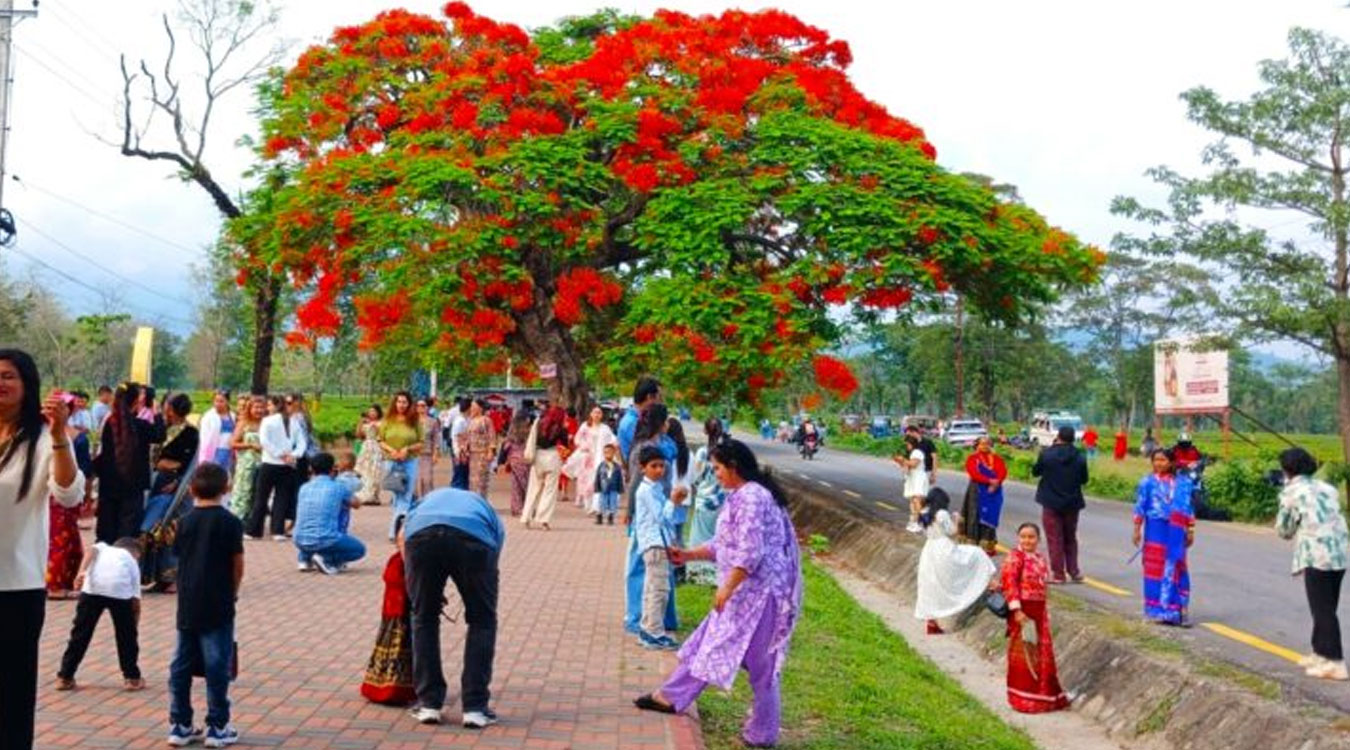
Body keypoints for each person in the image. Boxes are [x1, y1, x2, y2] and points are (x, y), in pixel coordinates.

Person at [633, 440, 803, 749]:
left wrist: (726, 587)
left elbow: (749, 553)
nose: (716, 474)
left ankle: (763, 733)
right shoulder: (741, 495)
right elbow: (723, 545)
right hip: (744, 594)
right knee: (705, 646)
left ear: (734, 466)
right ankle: (670, 697)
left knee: (762, 667)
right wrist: (687, 555)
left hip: (760, 596)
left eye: (717, 468)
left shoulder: (752, 497)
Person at [0, 350, 84, 750]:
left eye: (8, 376)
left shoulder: (41, 438)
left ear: (26, 384)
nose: (0, 383)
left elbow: (69, 495)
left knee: (11, 700)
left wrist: (58, 436)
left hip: (14, 590)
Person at [403, 487, 506, 728]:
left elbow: (404, 540)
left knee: (423, 617)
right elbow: (494, 551)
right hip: (474, 538)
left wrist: (423, 591)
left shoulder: (421, 505)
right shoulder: (485, 509)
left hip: (421, 537)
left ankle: (429, 703)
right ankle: (475, 708)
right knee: (482, 621)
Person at [168, 462, 244, 748]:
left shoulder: (183, 522)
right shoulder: (231, 522)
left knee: (181, 663)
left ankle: (180, 723)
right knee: (217, 665)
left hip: (187, 601)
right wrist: (234, 592)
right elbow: (237, 564)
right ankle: (218, 725)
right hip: (219, 600)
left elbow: (179, 561)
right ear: (226, 488)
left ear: (191, 490)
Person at [1274, 447, 1349, 681]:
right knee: (1327, 605)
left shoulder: (1291, 492)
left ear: (1286, 469)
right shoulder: (1327, 487)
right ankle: (1320, 652)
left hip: (1317, 554)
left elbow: (1284, 530)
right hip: (1340, 552)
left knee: (1322, 609)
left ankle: (1335, 662)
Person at [55, 537, 145, 691]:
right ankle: (132, 678)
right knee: (126, 637)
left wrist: (81, 572)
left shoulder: (103, 547)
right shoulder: (131, 561)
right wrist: (133, 624)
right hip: (119, 592)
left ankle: (65, 676)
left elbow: (91, 550)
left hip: (92, 590)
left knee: (80, 634)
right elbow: (135, 602)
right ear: (135, 553)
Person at [623, 404, 681, 633]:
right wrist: (631, 512)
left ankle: (645, 618)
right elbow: (637, 482)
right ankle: (645, 619)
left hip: (658, 513)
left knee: (647, 570)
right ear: (660, 422)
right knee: (646, 570)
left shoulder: (654, 445)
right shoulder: (652, 447)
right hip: (652, 515)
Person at [1000, 522, 1070, 713]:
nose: (1027, 540)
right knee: (1023, 655)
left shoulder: (1040, 559)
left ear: (1038, 539)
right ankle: (1023, 698)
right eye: (1023, 536)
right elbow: (1009, 584)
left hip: (1039, 613)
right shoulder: (1014, 558)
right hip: (1023, 612)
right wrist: (1017, 611)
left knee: (1042, 654)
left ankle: (1044, 696)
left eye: (1031, 537)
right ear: (1018, 538)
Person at [915, 488, 997, 635]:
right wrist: (957, 520)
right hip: (944, 548)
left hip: (929, 550)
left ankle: (932, 622)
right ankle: (991, 582)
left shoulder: (923, 513)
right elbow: (952, 532)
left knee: (932, 585)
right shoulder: (941, 514)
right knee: (977, 553)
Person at [93, 382, 166, 543]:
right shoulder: (140, 426)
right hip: (133, 487)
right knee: (127, 534)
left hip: (108, 486)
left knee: (106, 533)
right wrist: (158, 413)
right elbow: (160, 435)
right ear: (135, 402)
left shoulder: (108, 423)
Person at [1132, 448, 1196, 626]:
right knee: (1155, 568)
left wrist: (1190, 529)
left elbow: (1188, 509)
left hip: (1176, 530)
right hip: (1155, 530)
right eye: (1156, 460)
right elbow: (1140, 507)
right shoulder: (1147, 483)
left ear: (1172, 463)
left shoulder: (1182, 484)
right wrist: (1137, 529)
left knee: (1177, 566)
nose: (1159, 464)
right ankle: (1159, 610)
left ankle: (1180, 609)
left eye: (1163, 460)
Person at [360, 517, 416, 705]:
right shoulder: (398, 563)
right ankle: (390, 688)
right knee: (396, 650)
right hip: (396, 614)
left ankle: (404, 687)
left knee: (406, 649)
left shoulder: (407, 562)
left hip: (401, 613)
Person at [633, 445, 682, 650]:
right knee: (659, 590)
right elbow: (662, 517)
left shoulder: (655, 488)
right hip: (654, 545)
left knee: (651, 588)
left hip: (656, 543)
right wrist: (673, 501)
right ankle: (654, 631)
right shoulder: (646, 490)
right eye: (654, 466)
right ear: (642, 467)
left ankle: (647, 628)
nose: (659, 470)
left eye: (662, 466)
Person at [1031, 425, 1088, 584]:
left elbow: (1036, 472)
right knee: (1070, 537)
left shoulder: (1047, 454)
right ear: (1073, 438)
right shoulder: (1080, 456)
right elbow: (1084, 479)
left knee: (1054, 538)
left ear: (1058, 436)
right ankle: (1074, 571)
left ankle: (1058, 574)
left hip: (1050, 501)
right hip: (1072, 502)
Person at [294, 452, 366, 575]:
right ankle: (327, 560)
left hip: (299, 539)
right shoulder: (338, 487)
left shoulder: (304, 487)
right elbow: (357, 504)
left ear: (311, 469)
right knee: (359, 550)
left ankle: (304, 559)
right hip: (325, 538)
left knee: (310, 528)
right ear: (333, 468)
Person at [247, 395, 307, 541]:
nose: (267, 408)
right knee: (282, 498)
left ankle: (254, 530)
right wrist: (293, 455)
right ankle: (277, 531)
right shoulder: (294, 421)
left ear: (275, 405)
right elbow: (302, 442)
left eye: (268, 405)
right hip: (288, 465)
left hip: (269, 463)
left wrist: (280, 454)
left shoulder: (268, 421)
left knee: (261, 497)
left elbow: (264, 441)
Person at [686, 418, 728, 585]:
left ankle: (698, 575)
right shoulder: (725, 453)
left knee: (699, 538)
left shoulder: (703, 453)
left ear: (705, 432)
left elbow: (696, 477)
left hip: (703, 500)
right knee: (717, 538)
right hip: (721, 500)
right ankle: (716, 575)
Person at [379, 391, 424, 541]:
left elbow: (421, 442)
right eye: (399, 402)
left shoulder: (414, 420)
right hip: (390, 460)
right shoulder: (388, 420)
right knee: (396, 496)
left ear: (409, 404)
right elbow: (380, 440)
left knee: (406, 496)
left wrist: (407, 449)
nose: (401, 405)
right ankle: (399, 526)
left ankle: (394, 532)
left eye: (405, 402)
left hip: (409, 460)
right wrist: (392, 450)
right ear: (395, 403)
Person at [521, 406, 569, 530]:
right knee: (550, 491)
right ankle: (544, 520)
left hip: (538, 457)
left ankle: (526, 517)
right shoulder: (561, 428)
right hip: (553, 457)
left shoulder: (538, 423)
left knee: (533, 489)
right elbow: (565, 445)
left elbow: (531, 439)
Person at [565, 405, 617, 513]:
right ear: (591, 414)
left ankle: (596, 505)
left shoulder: (605, 428)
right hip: (587, 458)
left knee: (597, 480)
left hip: (600, 457)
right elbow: (577, 439)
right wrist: (584, 446)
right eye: (595, 412)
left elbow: (612, 440)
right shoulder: (585, 426)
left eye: (599, 413)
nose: (597, 415)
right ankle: (588, 504)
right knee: (586, 481)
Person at [961, 437, 1007, 556]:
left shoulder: (997, 459)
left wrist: (997, 483)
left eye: (987, 443)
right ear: (977, 445)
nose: (985, 446)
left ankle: (986, 545)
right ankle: (972, 543)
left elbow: (1003, 472)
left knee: (990, 516)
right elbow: (973, 473)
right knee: (975, 514)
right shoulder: (973, 459)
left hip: (994, 492)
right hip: (977, 490)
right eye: (982, 444)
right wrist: (989, 481)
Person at [152, 394, 200, 498]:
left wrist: (177, 481)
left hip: (168, 480)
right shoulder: (164, 427)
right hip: (155, 476)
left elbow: (187, 462)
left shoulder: (190, 432)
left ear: (171, 409)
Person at [228, 396, 265, 521]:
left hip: (263, 463)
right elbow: (232, 443)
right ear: (250, 408)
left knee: (258, 493)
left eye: (261, 408)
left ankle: (252, 521)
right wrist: (250, 445)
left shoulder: (266, 424)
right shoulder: (244, 423)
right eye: (256, 407)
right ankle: (237, 519)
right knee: (243, 492)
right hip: (246, 465)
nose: (259, 410)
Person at [618, 376, 662, 465]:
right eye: (659, 397)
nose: (660, 401)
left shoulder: (640, 419)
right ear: (649, 397)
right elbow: (650, 454)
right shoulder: (632, 423)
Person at [497, 413, 532, 517]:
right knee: (527, 485)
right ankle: (527, 508)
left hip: (514, 461)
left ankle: (516, 509)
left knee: (516, 486)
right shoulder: (528, 431)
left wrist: (501, 462)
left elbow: (505, 446)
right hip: (526, 461)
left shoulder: (512, 432)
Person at [896, 434, 929, 534]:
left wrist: (903, 460)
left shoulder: (917, 452)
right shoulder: (910, 453)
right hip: (912, 478)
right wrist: (899, 461)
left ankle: (919, 522)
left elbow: (914, 464)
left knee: (917, 500)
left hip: (918, 477)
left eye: (907, 444)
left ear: (911, 444)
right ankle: (914, 520)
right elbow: (906, 465)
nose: (906, 446)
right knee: (912, 500)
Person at [197, 390, 236, 474]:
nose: (218, 404)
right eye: (216, 401)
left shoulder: (232, 416)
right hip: (215, 450)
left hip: (228, 451)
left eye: (221, 401)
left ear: (227, 402)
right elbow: (204, 437)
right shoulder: (209, 416)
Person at [355, 404, 385, 506]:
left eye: (374, 411)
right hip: (366, 447)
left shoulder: (382, 423)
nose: (371, 413)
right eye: (370, 411)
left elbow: (383, 435)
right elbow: (359, 436)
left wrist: (374, 425)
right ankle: (365, 495)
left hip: (376, 446)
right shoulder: (364, 422)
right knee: (365, 471)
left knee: (375, 472)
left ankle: (374, 496)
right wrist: (360, 423)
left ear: (378, 412)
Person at [465, 399, 495, 499]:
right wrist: (465, 448)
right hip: (473, 454)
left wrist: (490, 451)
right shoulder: (471, 421)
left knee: (481, 480)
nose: (472, 408)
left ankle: (481, 500)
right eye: (471, 406)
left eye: (474, 406)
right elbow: (468, 437)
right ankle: (473, 500)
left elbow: (492, 436)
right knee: (472, 480)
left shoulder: (486, 420)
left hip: (482, 454)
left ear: (480, 408)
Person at [593, 443, 625, 526]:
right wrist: (597, 487)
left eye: (610, 452)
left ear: (614, 453)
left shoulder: (617, 466)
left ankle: (611, 517)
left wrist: (620, 488)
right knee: (602, 502)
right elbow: (597, 476)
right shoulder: (601, 466)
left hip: (613, 488)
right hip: (603, 488)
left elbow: (620, 478)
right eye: (606, 452)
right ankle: (599, 515)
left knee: (613, 503)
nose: (608, 454)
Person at [415, 399, 439, 499]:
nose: (421, 408)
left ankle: (428, 500)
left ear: (427, 407)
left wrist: (436, 454)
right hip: (414, 455)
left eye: (423, 405)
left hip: (427, 454)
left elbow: (436, 439)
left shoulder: (433, 422)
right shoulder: (412, 421)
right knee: (416, 480)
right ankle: (417, 501)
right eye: (419, 405)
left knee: (427, 479)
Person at [450, 398, 471, 490]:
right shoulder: (460, 421)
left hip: (461, 451)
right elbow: (457, 438)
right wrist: (460, 453)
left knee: (462, 475)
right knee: (459, 475)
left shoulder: (465, 419)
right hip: (460, 452)